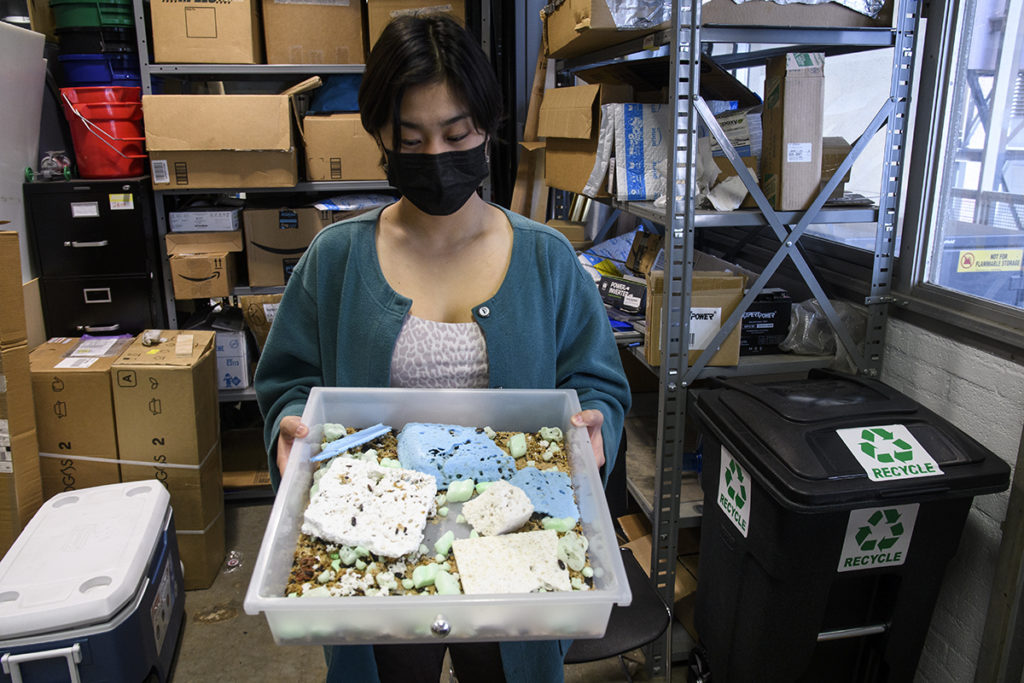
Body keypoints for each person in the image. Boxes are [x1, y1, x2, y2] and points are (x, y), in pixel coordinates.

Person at [254, 12, 631, 683]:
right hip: (382, 536)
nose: (436, 156)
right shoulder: (335, 260)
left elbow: (596, 379)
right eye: (411, 137)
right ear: (381, 137)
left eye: (456, 134)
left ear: (486, 127)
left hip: (516, 540)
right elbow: (288, 381)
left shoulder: (545, 259)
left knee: (506, 669)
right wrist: (288, 431)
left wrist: (595, 429)